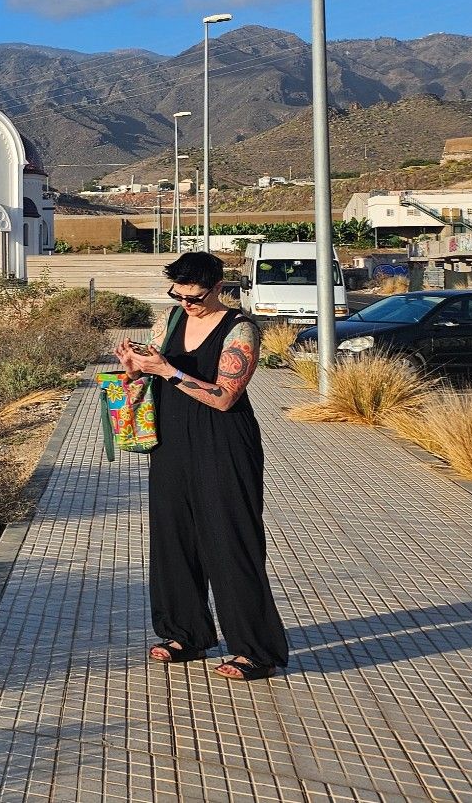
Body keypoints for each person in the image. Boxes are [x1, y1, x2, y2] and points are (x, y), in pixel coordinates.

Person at [113, 250, 288, 681]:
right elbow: (149, 372)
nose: (185, 302)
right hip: (170, 442)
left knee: (231, 542)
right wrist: (133, 370)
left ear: (217, 288)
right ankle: (185, 634)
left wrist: (168, 370)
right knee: (173, 540)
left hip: (223, 444)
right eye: (178, 293)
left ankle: (255, 650)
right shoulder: (169, 320)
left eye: (194, 296)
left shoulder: (241, 329)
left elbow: (225, 397)